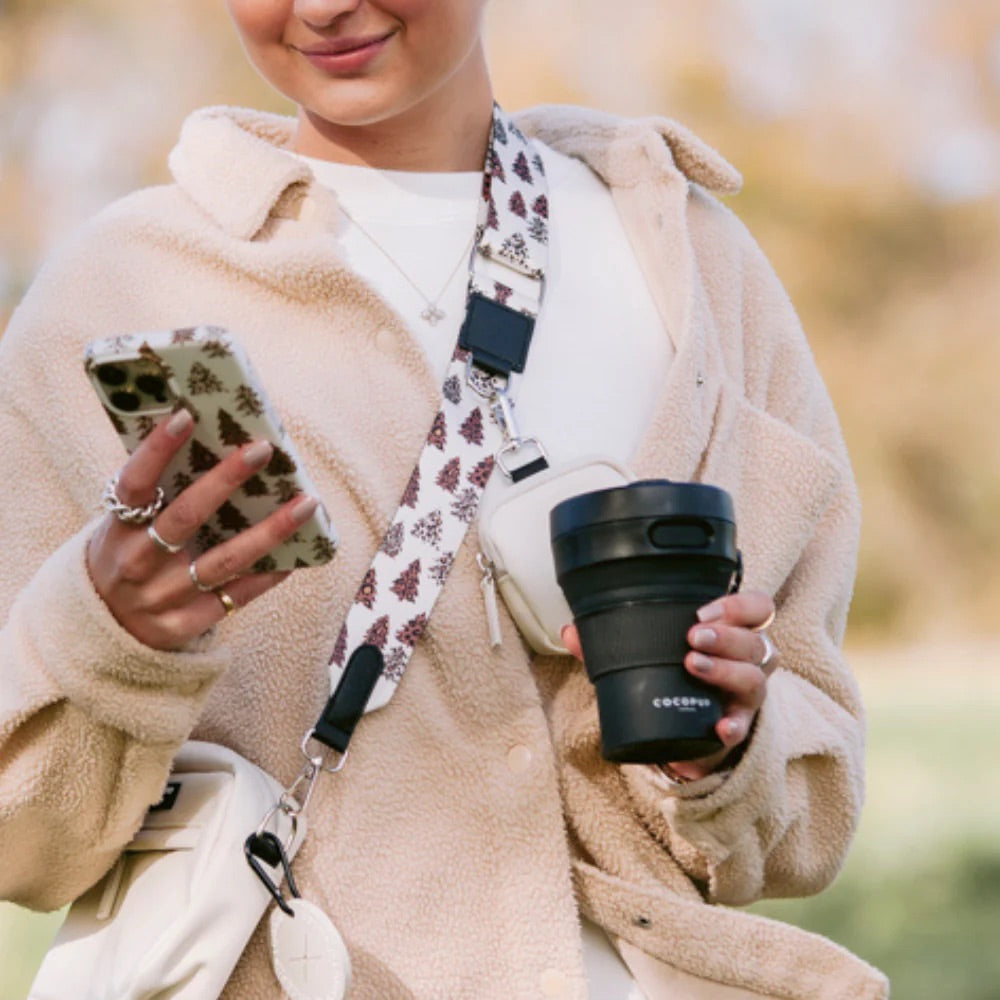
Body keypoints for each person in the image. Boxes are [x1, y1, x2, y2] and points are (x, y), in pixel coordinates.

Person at [0, 2, 888, 998]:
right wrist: (104, 638)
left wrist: (724, 737)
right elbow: (22, 841)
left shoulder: (690, 263)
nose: (324, 7)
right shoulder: (115, 289)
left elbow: (809, 808)